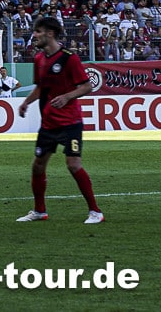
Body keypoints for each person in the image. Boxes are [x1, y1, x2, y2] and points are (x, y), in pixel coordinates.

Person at [17, 16, 103, 224]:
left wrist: (67, 96)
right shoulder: (39, 59)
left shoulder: (68, 58)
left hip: (70, 123)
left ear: (50, 33)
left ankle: (95, 212)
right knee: (38, 166)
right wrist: (26, 102)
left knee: (73, 165)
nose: (34, 35)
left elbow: (86, 86)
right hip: (48, 124)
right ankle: (39, 211)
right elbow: (40, 87)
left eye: (38, 31)